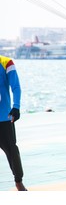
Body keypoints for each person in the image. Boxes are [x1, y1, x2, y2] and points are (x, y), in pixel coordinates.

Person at [0, 55, 27, 191]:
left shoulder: (6, 62)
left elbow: (15, 86)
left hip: (3, 118)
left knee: (12, 151)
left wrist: (16, 107)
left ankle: (18, 181)